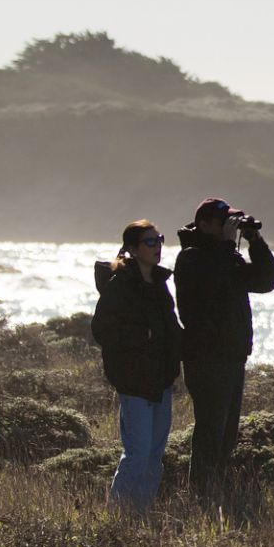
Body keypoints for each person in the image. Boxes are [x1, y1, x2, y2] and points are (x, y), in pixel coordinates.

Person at [174, 197, 274, 494]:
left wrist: (254, 241)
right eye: (223, 223)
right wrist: (226, 246)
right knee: (210, 430)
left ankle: (215, 490)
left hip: (232, 357)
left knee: (227, 435)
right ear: (204, 224)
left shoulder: (226, 256)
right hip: (206, 359)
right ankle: (201, 492)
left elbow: (265, 280)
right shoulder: (191, 258)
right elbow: (210, 288)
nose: (228, 229)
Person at [91, 218, 182, 512]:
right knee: (137, 455)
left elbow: (171, 328)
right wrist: (143, 336)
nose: (157, 248)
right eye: (150, 242)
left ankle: (140, 515)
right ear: (132, 248)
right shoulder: (120, 286)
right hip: (134, 384)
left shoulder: (159, 284)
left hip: (161, 383)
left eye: (160, 240)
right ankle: (117, 516)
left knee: (154, 457)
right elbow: (102, 330)